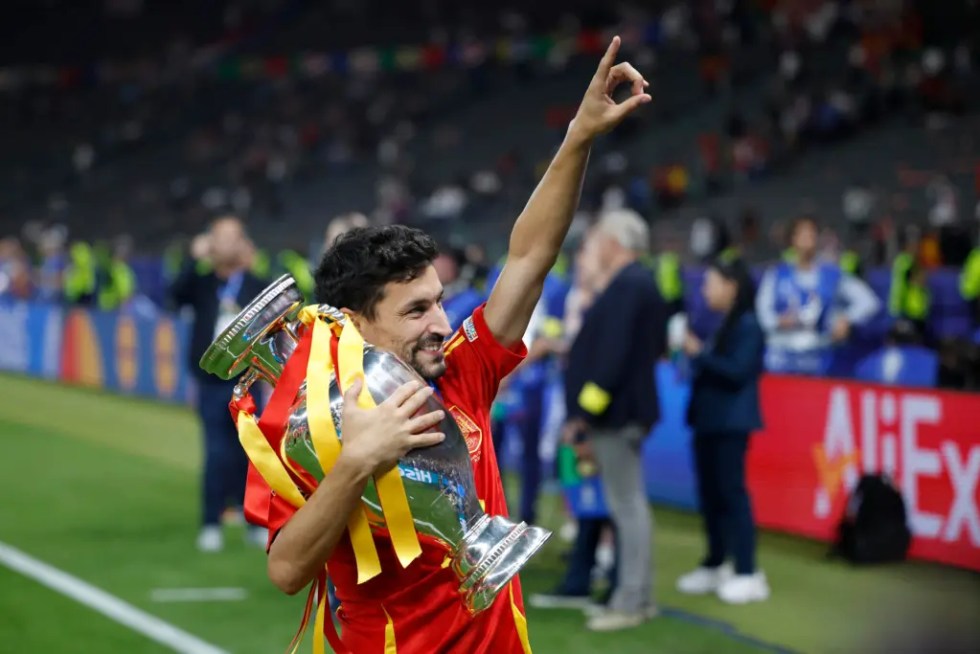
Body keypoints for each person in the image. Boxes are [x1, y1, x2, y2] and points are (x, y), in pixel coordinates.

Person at [246, 37, 651, 653]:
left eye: (440, 300)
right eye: (416, 310)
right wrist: (357, 462)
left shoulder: (461, 372)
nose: (442, 321)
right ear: (356, 323)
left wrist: (578, 137)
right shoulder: (311, 426)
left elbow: (530, 256)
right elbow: (285, 570)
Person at [563, 208, 666, 631]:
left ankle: (631, 601)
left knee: (627, 507)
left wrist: (584, 411)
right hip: (624, 411)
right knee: (629, 506)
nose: (597, 246)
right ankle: (634, 596)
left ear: (617, 242)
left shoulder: (629, 285)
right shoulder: (638, 283)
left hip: (617, 414)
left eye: (601, 238)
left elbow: (611, 356)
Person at [676, 255, 769, 605]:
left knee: (732, 495)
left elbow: (737, 372)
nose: (705, 289)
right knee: (711, 495)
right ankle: (716, 562)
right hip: (709, 421)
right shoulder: (724, 322)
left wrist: (698, 353)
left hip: (731, 423)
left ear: (731, 286)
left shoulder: (748, 324)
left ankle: (748, 571)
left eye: (711, 282)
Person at [171, 216, 267, 552]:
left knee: (251, 453)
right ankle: (211, 522)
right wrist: (194, 259)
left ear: (244, 244)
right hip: (210, 382)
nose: (226, 244)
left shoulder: (256, 284)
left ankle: (253, 519)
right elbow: (174, 295)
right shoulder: (201, 283)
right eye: (219, 238)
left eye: (233, 238)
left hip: (249, 381)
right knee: (215, 452)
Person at [756, 215, 880, 375]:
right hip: (782, 355)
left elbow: (868, 301)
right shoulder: (777, 274)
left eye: (812, 234)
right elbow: (762, 310)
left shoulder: (831, 274)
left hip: (818, 355)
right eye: (803, 234)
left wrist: (847, 319)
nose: (808, 239)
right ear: (792, 239)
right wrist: (776, 321)